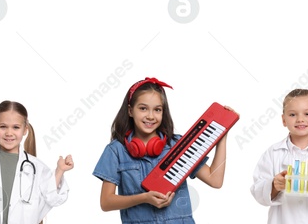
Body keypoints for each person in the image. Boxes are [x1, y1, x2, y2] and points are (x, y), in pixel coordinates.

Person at [92, 77, 230, 224]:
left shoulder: (179, 145)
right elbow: (106, 202)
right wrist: (144, 198)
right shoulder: (116, 151)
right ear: (130, 110)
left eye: (157, 109)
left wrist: (221, 135)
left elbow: (215, 180)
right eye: (143, 108)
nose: (150, 116)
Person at [249, 89, 308, 224]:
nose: (300, 119)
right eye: (292, 114)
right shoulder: (273, 153)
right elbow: (257, 191)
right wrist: (273, 185)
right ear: (283, 120)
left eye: (307, 113)